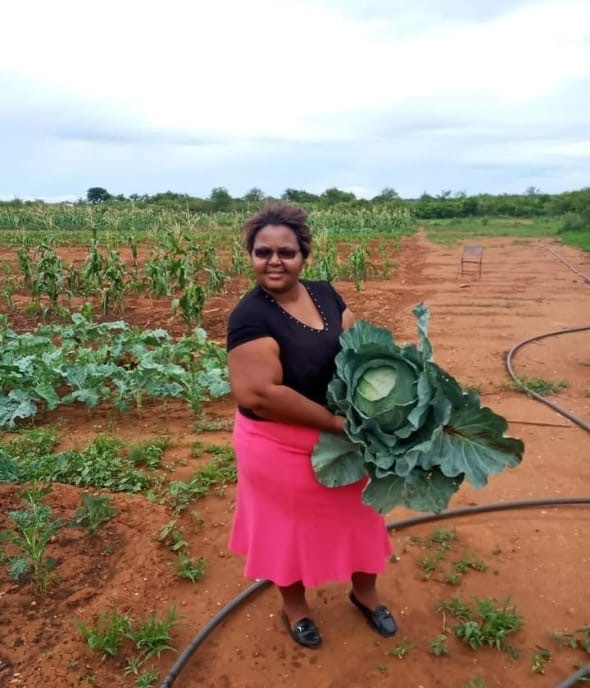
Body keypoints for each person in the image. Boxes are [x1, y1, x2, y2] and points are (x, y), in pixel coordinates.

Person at [226, 202, 396, 649]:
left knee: (361, 518)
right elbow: (260, 394)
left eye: (286, 252)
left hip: (342, 435)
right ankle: (296, 609)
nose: (275, 261)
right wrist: (340, 424)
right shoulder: (250, 316)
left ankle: (365, 595)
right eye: (263, 252)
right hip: (278, 445)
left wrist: (388, 383)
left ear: (304, 255)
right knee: (287, 533)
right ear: (251, 256)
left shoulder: (324, 293)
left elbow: (356, 342)